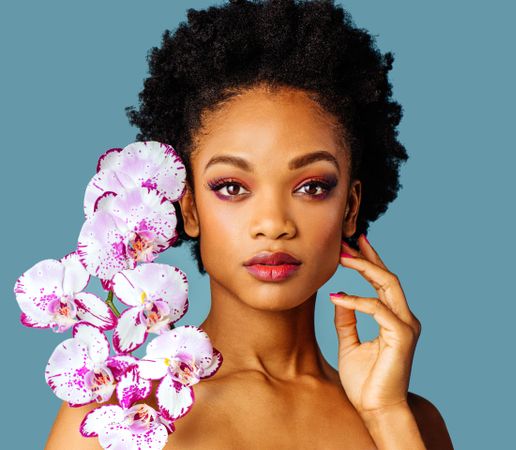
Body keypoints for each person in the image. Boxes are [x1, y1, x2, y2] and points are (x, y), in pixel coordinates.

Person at [44, 0, 453, 448]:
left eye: (312, 186)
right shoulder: (118, 415)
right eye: (233, 187)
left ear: (350, 209)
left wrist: (385, 415)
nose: (273, 223)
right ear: (189, 209)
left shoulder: (409, 419)